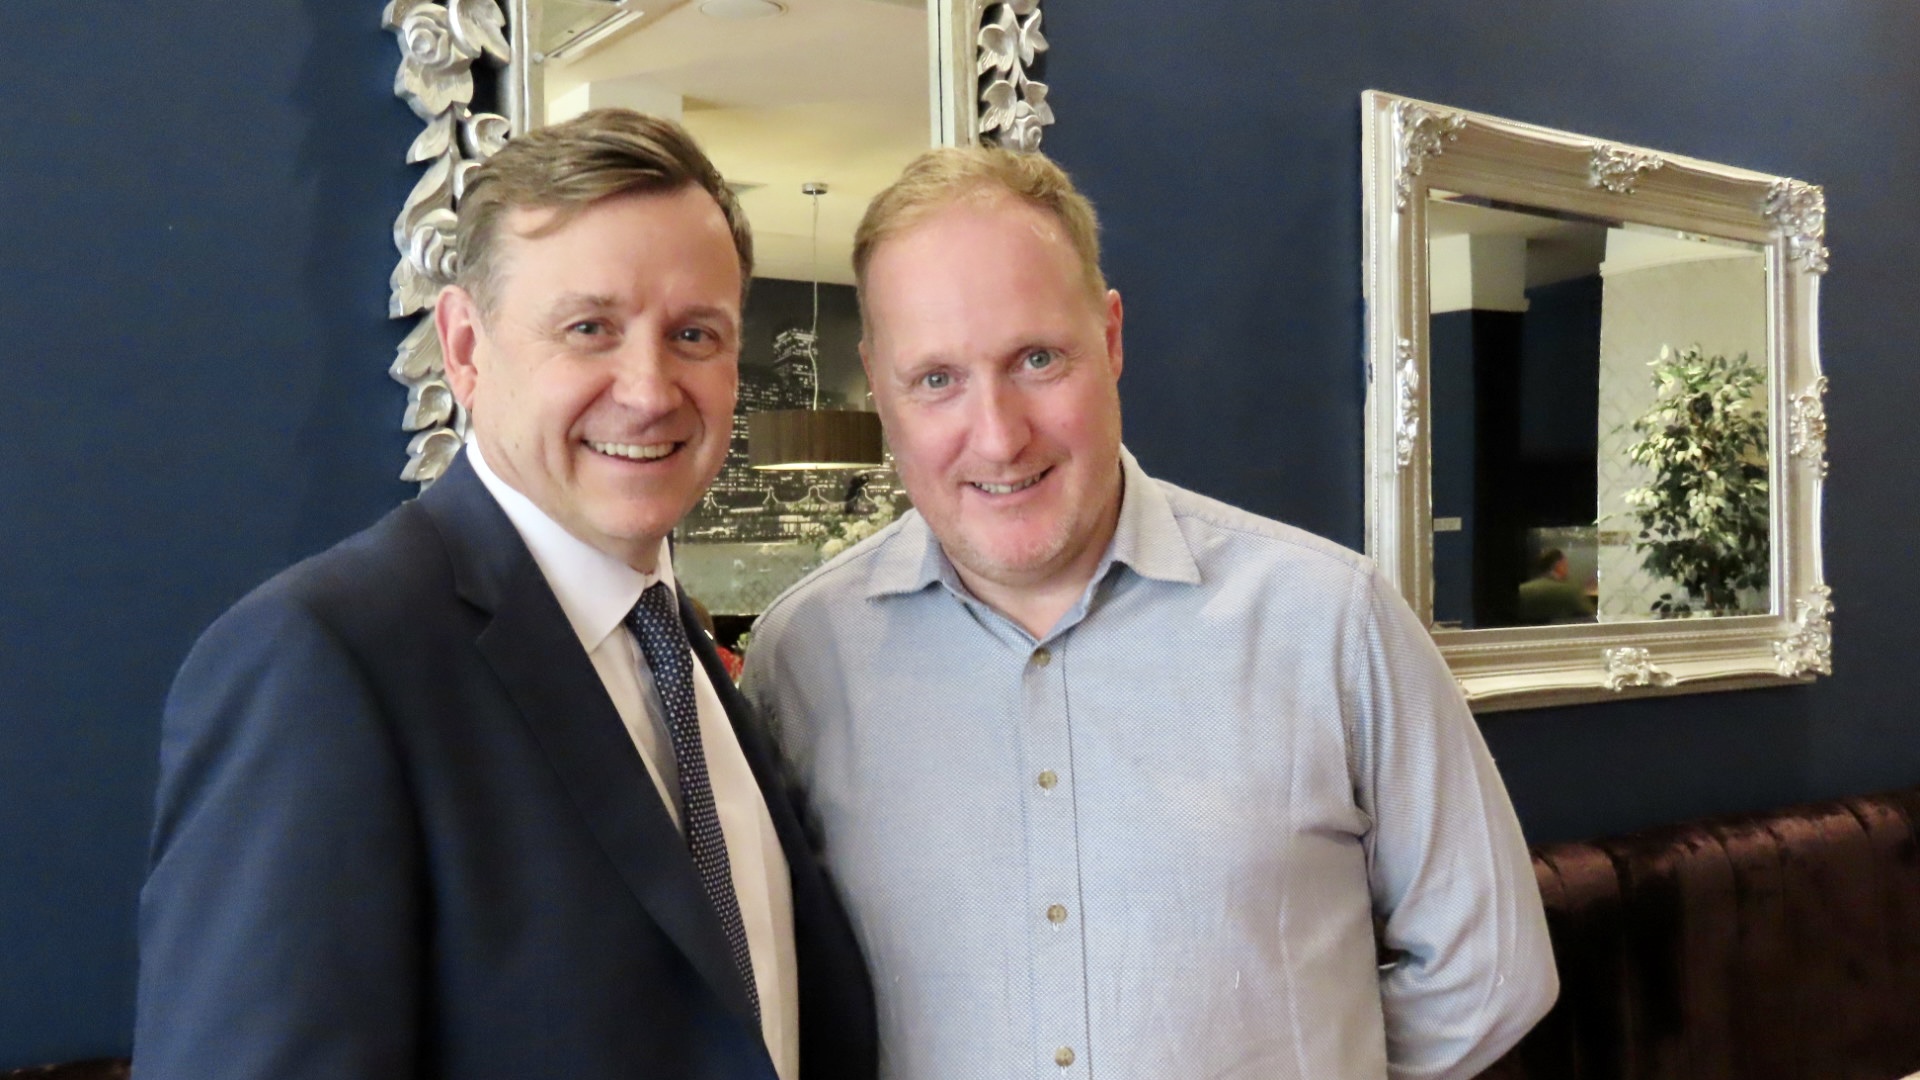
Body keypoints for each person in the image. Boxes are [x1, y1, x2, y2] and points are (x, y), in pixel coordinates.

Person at [741, 147, 1556, 1079]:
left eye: (1037, 358)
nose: (999, 435)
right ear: (878, 384)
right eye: (936, 379)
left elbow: (1489, 970)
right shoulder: (800, 660)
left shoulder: (1330, 620)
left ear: (1112, 336)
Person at [135, 110, 875, 1080]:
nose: (650, 389)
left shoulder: (687, 658)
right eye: (588, 328)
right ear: (467, 349)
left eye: (695, 333)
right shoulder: (323, 659)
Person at [1516, 547, 1595, 624]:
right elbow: (1592, 622)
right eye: (1565, 564)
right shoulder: (1571, 592)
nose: (1567, 568)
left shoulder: (1521, 591)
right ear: (1559, 565)